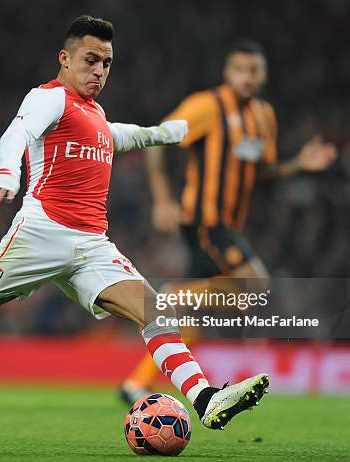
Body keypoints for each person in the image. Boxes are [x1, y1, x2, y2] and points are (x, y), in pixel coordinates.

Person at [0, 16, 269, 430]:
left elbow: (122, 135)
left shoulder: (95, 114)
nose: (99, 71)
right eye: (91, 60)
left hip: (92, 245)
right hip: (39, 234)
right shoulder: (48, 99)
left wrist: (164, 133)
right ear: (65, 58)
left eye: (106, 64)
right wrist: (7, 172)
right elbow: (16, 133)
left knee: (155, 312)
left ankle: (205, 398)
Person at [120, 39, 337, 404]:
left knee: (193, 322)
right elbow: (157, 141)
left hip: (229, 225)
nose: (247, 78)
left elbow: (261, 172)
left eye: (254, 70)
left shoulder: (264, 116)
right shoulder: (206, 106)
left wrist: (298, 165)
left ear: (263, 74)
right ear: (227, 73)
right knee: (257, 285)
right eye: (240, 69)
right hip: (206, 222)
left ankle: (133, 384)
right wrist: (161, 200)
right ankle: (174, 292)